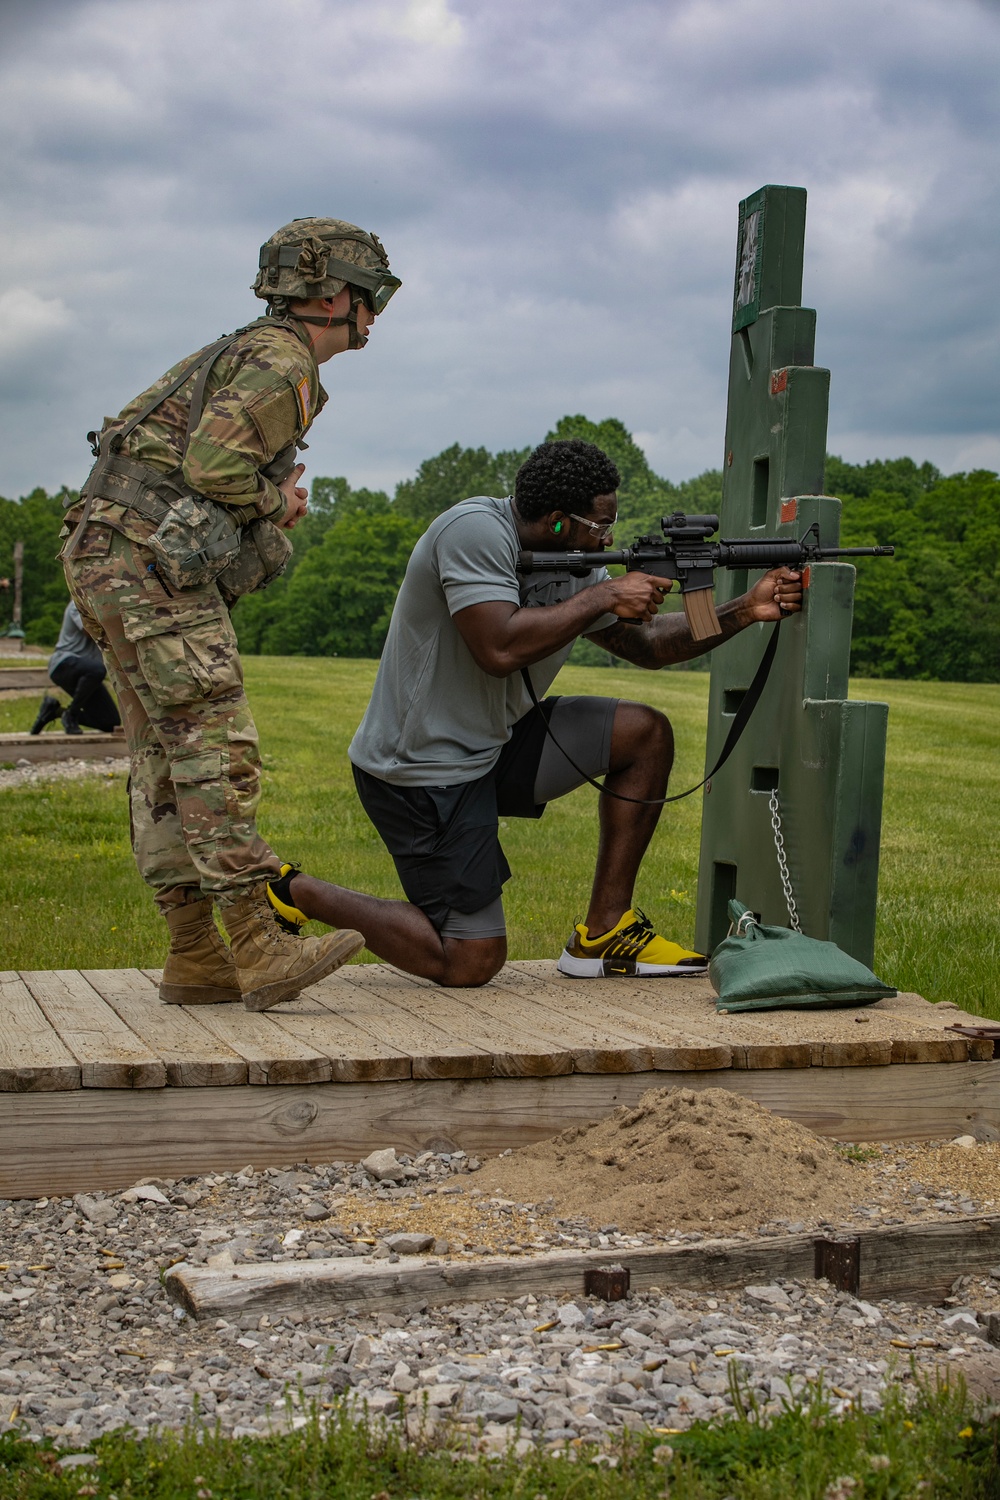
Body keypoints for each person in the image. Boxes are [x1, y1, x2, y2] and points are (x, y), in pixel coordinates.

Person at [266, 437, 803, 986]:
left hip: (494, 746)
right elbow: (498, 649)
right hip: (422, 771)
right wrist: (601, 597)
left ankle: (604, 933)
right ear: (555, 520)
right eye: (599, 525)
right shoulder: (472, 532)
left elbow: (648, 646)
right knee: (470, 960)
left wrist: (745, 609)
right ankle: (291, 890)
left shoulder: (576, 564)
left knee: (643, 734)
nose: (608, 537)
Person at [59, 218, 401, 1011]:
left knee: (165, 752)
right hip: (148, 566)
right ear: (332, 294)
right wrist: (276, 500)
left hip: (107, 556)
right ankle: (254, 944)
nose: (375, 314)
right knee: (213, 740)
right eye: (370, 295)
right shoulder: (282, 362)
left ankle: (195, 954)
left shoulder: (244, 351)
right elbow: (214, 467)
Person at [31, 599, 123, 735]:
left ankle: (55, 711)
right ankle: (71, 715)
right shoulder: (78, 603)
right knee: (97, 670)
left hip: (90, 673)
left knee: (109, 721)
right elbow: (90, 631)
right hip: (63, 665)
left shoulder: (107, 606)